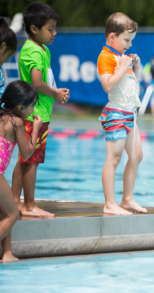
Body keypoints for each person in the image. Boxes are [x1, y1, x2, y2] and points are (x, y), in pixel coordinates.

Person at [12, 2, 69, 217]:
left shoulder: (39, 49)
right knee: (32, 160)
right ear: (34, 29)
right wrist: (55, 93)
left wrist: (54, 92)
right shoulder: (34, 52)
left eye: (55, 28)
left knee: (24, 158)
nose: (54, 33)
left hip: (35, 111)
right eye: (50, 29)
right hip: (35, 114)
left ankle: (15, 201)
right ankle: (29, 206)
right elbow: (36, 82)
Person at [97, 12, 147, 215]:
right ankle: (110, 203)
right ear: (112, 37)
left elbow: (132, 85)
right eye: (127, 40)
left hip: (129, 115)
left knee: (136, 156)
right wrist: (123, 66)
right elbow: (108, 85)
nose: (130, 44)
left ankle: (127, 199)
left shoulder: (120, 57)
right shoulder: (106, 57)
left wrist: (134, 67)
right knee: (114, 158)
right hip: (116, 114)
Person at [0, 81, 43, 262]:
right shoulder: (16, 121)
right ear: (20, 107)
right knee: (13, 214)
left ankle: (7, 253)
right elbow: (26, 152)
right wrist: (36, 130)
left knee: (4, 212)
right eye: (32, 106)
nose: (33, 111)